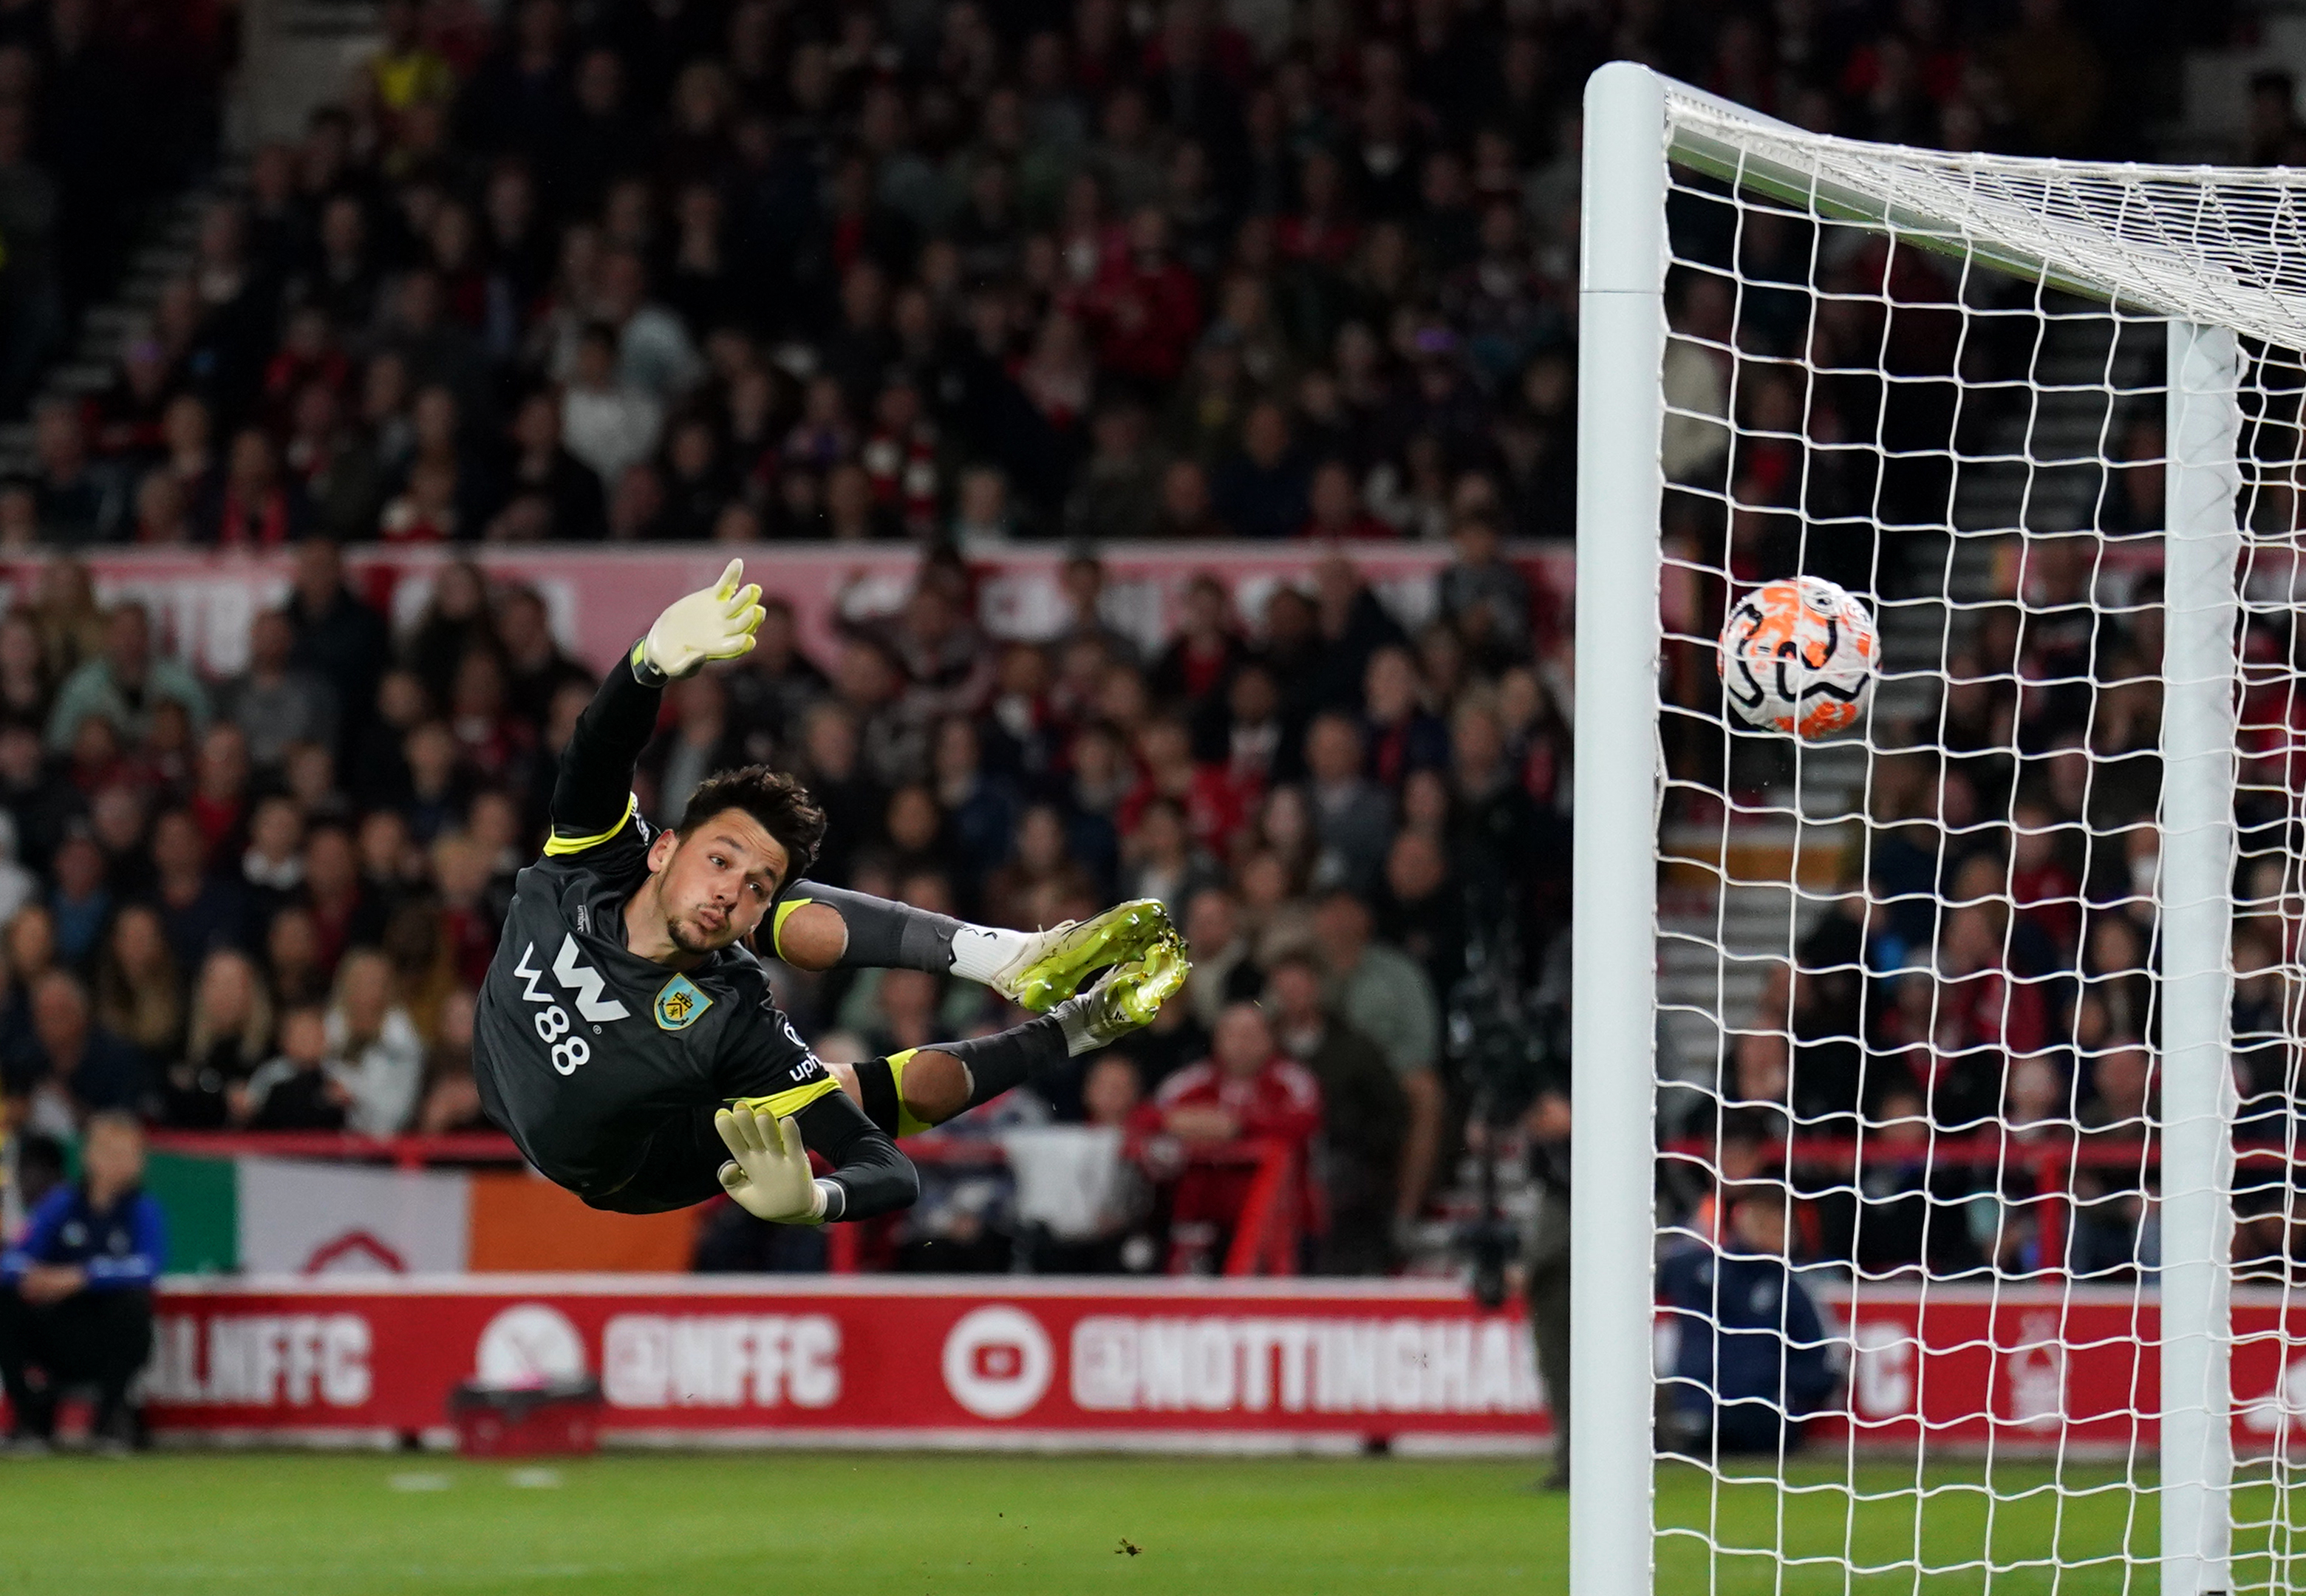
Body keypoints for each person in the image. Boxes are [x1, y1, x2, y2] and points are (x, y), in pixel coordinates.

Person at [471, 561, 1187, 1225]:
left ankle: (1058, 1008)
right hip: (498, 1070)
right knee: (846, 1065)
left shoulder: (734, 1022)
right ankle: (1037, 983)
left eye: (753, 886)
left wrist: (816, 1199)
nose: (730, 892)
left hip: (635, 1166)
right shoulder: (596, 857)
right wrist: (648, 661)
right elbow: (597, 746)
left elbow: (888, 1170)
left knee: (839, 1099)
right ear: (660, 846)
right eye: (717, 859)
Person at [0, 1113, 166, 1452]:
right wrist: (35, 1277)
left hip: (108, 1334)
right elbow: (14, 1258)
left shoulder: (142, 1210)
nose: (119, 1163)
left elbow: (149, 1266)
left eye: (128, 1155)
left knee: (134, 1304)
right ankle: (29, 1421)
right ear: (91, 1156)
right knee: (6, 1299)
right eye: (110, 1153)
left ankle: (108, 1423)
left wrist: (83, 1277)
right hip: (58, 1330)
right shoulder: (61, 1204)